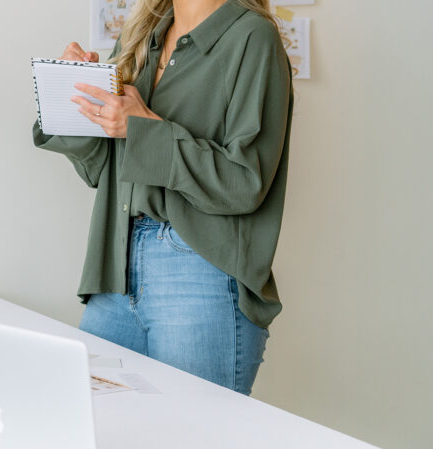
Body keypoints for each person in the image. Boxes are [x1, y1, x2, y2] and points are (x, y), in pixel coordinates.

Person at [32, 0, 293, 396]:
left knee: (191, 442)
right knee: (94, 428)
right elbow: (105, 170)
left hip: (200, 270)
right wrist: (77, 93)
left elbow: (245, 182)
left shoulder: (252, 36)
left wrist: (146, 127)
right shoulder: (142, 36)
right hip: (115, 269)